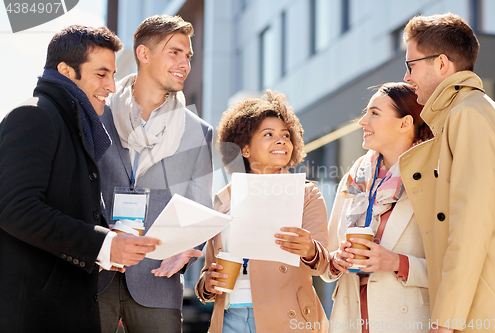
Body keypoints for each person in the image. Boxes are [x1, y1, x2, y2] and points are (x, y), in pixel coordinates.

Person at [0, 25, 161, 333]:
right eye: (101, 74)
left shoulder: (73, 126)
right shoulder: (33, 116)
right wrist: (103, 244)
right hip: (33, 315)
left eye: (113, 75)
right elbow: (15, 208)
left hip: (65, 308)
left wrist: (109, 237)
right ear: (65, 70)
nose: (111, 86)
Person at [97, 15, 213, 333]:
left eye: (188, 56)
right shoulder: (98, 114)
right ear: (144, 54)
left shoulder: (197, 132)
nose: (184, 63)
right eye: (174, 52)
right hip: (95, 274)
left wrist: (191, 251)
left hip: (157, 280)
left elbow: (199, 207)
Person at [196, 90, 329, 333]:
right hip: (229, 320)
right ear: (244, 149)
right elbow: (209, 269)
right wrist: (207, 283)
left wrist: (309, 249)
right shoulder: (223, 199)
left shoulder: (306, 194)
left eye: (286, 135)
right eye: (269, 134)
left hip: (287, 318)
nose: (281, 141)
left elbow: (323, 265)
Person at [399, 13, 495, 333]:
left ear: (442, 64)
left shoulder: (468, 114)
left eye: (411, 65)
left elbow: (471, 221)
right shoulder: (473, 112)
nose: (406, 77)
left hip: (479, 312)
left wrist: (446, 320)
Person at [322, 82, 433, 333]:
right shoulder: (355, 177)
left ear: (405, 123)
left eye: (374, 113)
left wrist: (397, 262)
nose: (362, 121)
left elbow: (454, 267)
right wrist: (336, 260)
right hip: (350, 321)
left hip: (407, 322)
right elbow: (328, 259)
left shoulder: (434, 177)